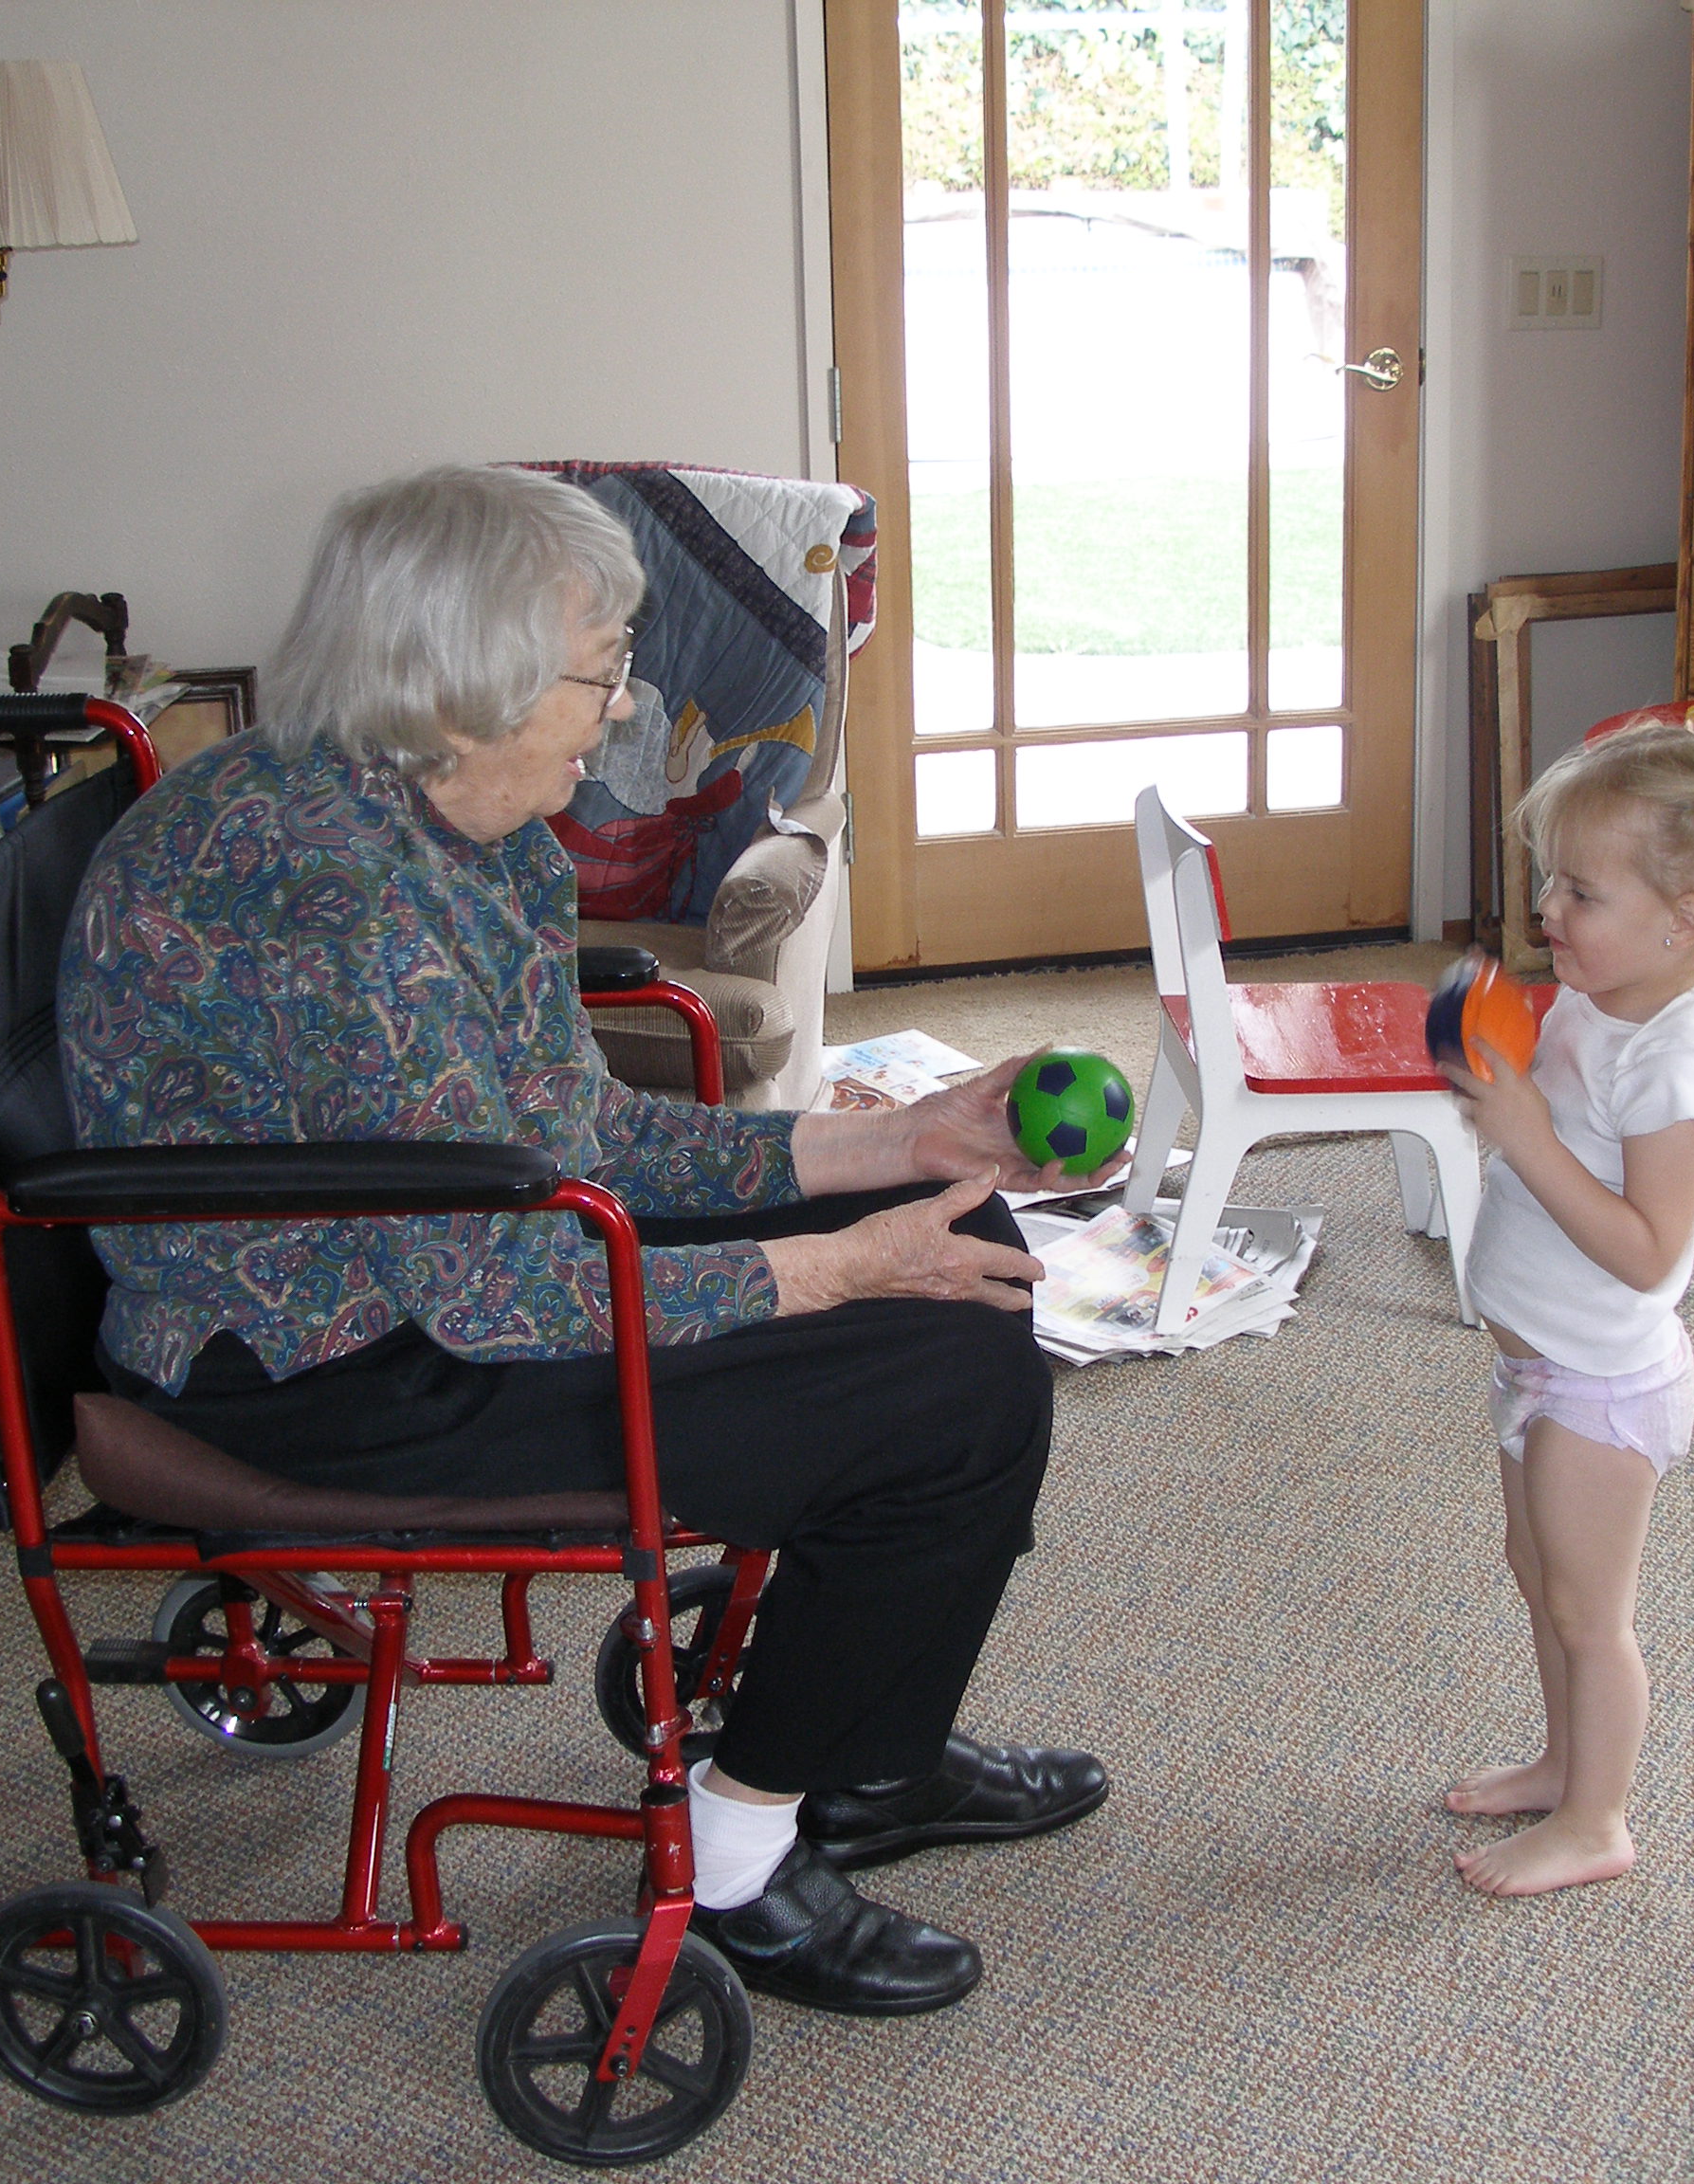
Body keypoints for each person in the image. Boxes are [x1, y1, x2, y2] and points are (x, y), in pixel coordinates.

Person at [62, 463, 1111, 2014]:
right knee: (939, 1378)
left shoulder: (456, 816)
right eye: (595, 670)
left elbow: (586, 1137)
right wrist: (837, 1261)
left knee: (962, 1233)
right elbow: (496, 1281)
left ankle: (863, 1759)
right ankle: (741, 1860)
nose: (622, 706)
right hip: (335, 1365)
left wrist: (894, 1144)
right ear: (457, 677)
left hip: (434, 1278)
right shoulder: (330, 892)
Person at [1434, 716, 1694, 1895]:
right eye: (1551, 880)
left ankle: (1599, 1823)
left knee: (1595, 1614)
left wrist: (1529, 1139)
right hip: (1540, 1368)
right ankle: (1564, 1763)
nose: (1548, 909)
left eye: (1580, 892)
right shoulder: (1605, 994)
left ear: (1682, 923)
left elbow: (1649, 1250)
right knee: (1537, 1575)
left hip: (1600, 1384)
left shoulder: (1680, 1062)